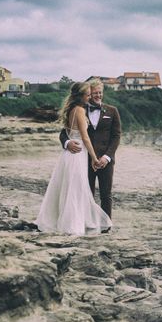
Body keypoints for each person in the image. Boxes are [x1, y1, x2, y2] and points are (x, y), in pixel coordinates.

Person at [36, 82, 112, 235]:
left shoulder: (73, 109)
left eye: (94, 94)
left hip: (72, 156)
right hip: (77, 154)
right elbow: (84, 137)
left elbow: (115, 136)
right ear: (81, 96)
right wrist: (93, 157)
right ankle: (73, 225)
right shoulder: (79, 110)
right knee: (75, 190)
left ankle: (76, 221)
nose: (91, 97)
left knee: (72, 189)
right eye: (89, 95)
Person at [59, 79, 121, 220]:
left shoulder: (112, 111)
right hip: (84, 158)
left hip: (105, 160)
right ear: (88, 94)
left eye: (100, 92)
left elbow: (116, 136)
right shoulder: (80, 109)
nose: (98, 95)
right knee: (86, 192)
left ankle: (106, 225)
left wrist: (107, 157)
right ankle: (87, 222)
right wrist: (67, 142)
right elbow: (64, 132)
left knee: (106, 195)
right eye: (94, 93)